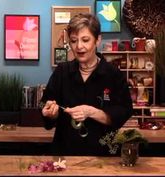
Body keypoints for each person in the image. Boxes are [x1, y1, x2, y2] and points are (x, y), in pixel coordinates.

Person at [41, 13, 133, 156]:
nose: (79, 46)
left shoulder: (113, 74)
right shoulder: (62, 72)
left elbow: (124, 111)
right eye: (73, 40)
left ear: (97, 40)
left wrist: (91, 112)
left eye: (85, 40)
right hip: (64, 154)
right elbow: (44, 105)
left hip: (103, 155)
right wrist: (50, 113)